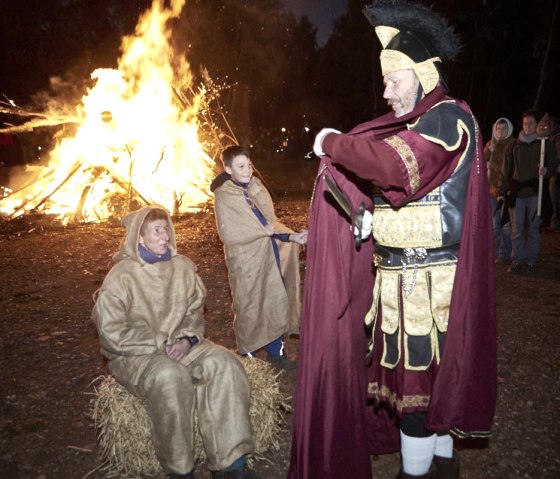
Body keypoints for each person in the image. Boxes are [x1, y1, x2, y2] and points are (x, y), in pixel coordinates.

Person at [289, 1, 497, 478]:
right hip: (406, 283)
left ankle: (419, 473)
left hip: (430, 288)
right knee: (426, 388)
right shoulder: (425, 122)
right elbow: (407, 199)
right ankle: (442, 469)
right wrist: (372, 225)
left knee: (418, 394)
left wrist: (332, 142)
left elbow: (395, 169)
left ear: (422, 74)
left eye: (393, 80)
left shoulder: (447, 117)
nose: (386, 92)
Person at [92, 206, 261, 479]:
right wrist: (158, 341)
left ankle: (231, 462)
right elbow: (111, 332)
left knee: (225, 363)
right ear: (139, 238)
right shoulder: (121, 277)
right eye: (157, 231)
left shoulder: (182, 267)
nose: (165, 236)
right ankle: (181, 470)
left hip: (181, 345)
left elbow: (194, 311)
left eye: (167, 229)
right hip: (136, 354)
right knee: (171, 377)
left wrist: (185, 339)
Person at [212, 145, 307, 370]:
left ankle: (276, 352)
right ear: (228, 169)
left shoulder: (255, 187)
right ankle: (249, 356)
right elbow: (230, 232)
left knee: (274, 299)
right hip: (245, 260)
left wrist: (292, 237)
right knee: (250, 304)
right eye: (240, 166)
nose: (247, 171)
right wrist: (263, 231)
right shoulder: (225, 196)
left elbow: (269, 223)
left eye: (249, 165)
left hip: (268, 254)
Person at [498, 110, 557, 273]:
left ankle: (531, 260)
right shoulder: (514, 146)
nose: (528, 126)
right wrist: (502, 190)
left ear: (537, 124)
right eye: (525, 123)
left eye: (531, 123)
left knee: (533, 229)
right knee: (516, 230)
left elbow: (553, 161)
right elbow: (506, 170)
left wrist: (546, 171)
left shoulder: (544, 144)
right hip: (517, 193)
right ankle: (517, 260)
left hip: (535, 193)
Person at [484, 117, 516, 263]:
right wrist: (488, 151)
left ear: (508, 129)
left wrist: (504, 189)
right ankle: (494, 251)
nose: (501, 131)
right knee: (493, 224)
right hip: (490, 189)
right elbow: (483, 162)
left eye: (504, 128)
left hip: (505, 190)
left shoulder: (512, 144)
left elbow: (508, 169)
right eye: (498, 128)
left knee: (505, 224)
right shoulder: (491, 144)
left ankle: (505, 252)